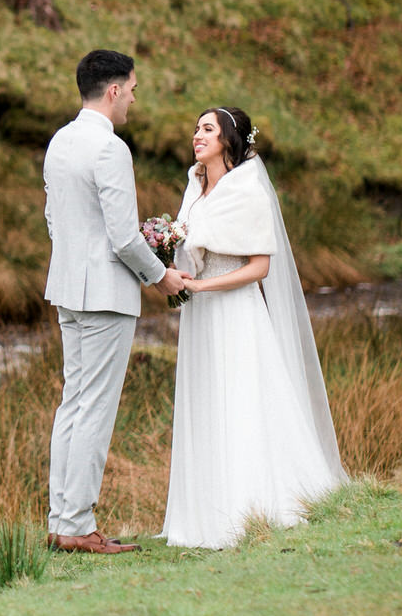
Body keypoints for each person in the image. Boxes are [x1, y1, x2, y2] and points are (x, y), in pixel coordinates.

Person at [161, 106, 346, 549]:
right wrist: (171, 262)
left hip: (235, 312)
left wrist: (204, 287)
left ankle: (251, 508)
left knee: (241, 400)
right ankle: (203, 516)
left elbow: (259, 267)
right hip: (200, 316)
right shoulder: (195, 188)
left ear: (228, 139)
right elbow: (190, 253)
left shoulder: (248, 190)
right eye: (195, 129)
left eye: (207, 129)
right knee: (205, 398)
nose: (196, 135)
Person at [41, 49, 192, 554]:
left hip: (67, 287)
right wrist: (162, 277)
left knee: (73, 405)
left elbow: (54, 219)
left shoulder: (60, 142)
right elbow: (125, 238)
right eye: (131, 89)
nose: (132, 98)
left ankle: (61, 520)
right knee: (95, 410)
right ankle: (79, 526)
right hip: (105, 295)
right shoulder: (111, 148)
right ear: (112, 91)